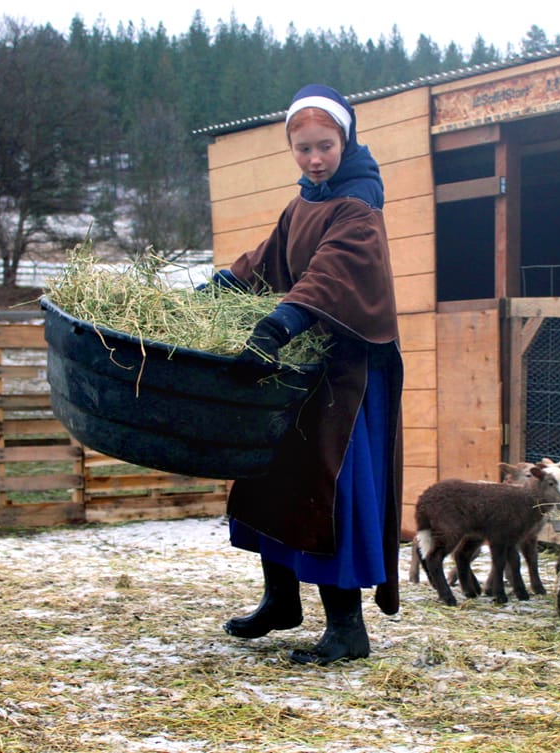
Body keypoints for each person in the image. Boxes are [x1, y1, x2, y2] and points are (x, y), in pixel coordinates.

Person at [210, 84, 403, 665]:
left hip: (343, 381)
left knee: (328, 491)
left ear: (345, 140)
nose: (315, 158)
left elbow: (330, 275)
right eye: (303, 148)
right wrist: (213, 290)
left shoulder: (359, 207)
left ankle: (347, 629)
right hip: (302, 371)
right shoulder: (302, 203)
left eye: (325, 145)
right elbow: (265, 262)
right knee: (275, 476)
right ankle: (281, 600)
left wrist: (274, 327)